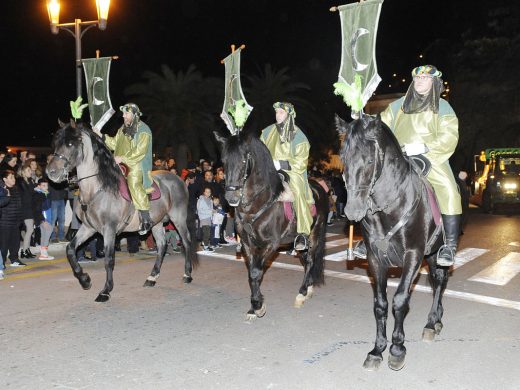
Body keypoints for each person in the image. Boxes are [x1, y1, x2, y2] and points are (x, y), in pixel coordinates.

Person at [355, 65, 461, 267]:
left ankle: (450, 244)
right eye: (417, 77)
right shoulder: (397, 106)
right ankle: (369, 237)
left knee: (449, 188)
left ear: (434, 82)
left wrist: (423, 147)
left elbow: (449, 136)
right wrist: (361, 116)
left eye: (425, 78)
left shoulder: (443, 106)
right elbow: (380, 126)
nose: (420, 80)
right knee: (372, 185)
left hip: (431, 158)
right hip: (399, 158)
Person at [260, 102, 314, 251]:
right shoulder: (266, 132)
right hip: (269, 170)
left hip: (291, 171)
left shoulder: (298, 135)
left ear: (289, 115)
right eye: (276, 112)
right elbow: (261, 152)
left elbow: (301, 161)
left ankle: (303, 232)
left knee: (297, 192)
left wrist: (282, 164)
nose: (278, 115)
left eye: (281, 113)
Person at [94, 103, 154, 234]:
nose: (123, 116)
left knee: (134, 182)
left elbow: (140, 151)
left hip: (136, 164)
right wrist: (101, 135)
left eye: (126, 113)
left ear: (134, 114)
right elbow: (114, 143)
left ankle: (145, 219)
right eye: (123, 113)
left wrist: (122, 158)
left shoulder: (144, 130)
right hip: (120, 163)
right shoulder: (122, 128)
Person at [0, 170, 25, 267]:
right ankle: (2, 263)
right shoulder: (2, 190)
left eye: (14, 177)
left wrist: (20, 219)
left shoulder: (15, 188)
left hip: (15, 221)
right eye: (11, 177)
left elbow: (19, 205)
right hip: (4, 222)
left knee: (15, 243)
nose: (14, 179)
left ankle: (14, 259)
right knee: (4, 244)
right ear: (4, 179)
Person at [33, 178, 54, 260]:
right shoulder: (38, 194)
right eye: (43, 185)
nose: (46, 187)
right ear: (39, 186)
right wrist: (42, 220)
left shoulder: (46, 193)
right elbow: (38, 208)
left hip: (47, 216)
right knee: (49, 230)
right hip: (43, 217)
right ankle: (44, 252)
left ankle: (43, 254)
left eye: (47, 185)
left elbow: (48, 206)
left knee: (45, 233)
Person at [18, 164, 37, 259]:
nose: (31, 172)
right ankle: (24, 251)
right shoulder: (21, 182)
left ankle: (26, 250)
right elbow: (28, 195)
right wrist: (34, 187)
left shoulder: (30, 181)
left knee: (28, 230)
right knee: (30, 230)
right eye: (29, 170)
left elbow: (33, 194)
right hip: (25, 209)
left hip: (30, 208)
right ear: (23, 172)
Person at [197, 186, 214, 252]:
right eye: (206, 192)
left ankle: (205, 244)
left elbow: (211, 209)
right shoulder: (201, 200)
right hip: (204, 218)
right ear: (204, 192)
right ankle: (206, 247)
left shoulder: (210, 200)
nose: (208, 193)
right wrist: (210, 211)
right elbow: (200, 210)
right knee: (206, 233)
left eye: (209, 192)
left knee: (207, 233)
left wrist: (212, 213)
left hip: (209, 218)